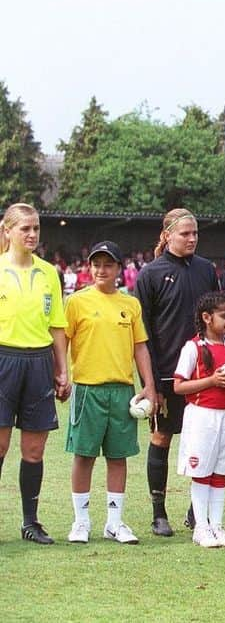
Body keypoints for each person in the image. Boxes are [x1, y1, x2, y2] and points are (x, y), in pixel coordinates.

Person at [64, 241, 157, 545]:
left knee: (118, 457)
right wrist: (61, 375)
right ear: (89, 267)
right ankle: (81, 521)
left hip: (122, 391)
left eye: (108, 264)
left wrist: (149, 386)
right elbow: (61, 342)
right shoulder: (76, 302)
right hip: (87, 389)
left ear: (119, 268)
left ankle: (114, 523)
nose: (101, 270)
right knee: (84, 455)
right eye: (96, 264)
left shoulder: (130, 304)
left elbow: (140, 346)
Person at [135, 208, 220, 537]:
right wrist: (150, 383)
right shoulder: (151, 274)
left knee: (205, 439)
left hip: (203, 374)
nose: (192, 239)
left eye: (195, 233)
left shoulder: (205, 270)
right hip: (168, 375)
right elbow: (142, 334)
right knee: (161, 438)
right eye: (185, 233)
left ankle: (195, 510)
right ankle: (159, 512)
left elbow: (215, 320)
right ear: (167, 234)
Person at [0, 203, 70, 544]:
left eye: (36, 229)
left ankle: (30, 522)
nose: (31, 234)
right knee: (0, 446)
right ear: (7, 230)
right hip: (3, 361)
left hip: (39, 363)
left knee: (34, 451)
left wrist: (63, 370)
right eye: (25, 228)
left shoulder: (48, 273)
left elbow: (57, 325)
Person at [173, 291, 225, 547]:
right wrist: (212, 381)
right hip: (202, 417)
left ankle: (217, 525)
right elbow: (179, 386)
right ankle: (200, 527)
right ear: (206, 317)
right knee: (201, 470)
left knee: (221, 470)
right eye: (223, 316)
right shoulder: (193, 347)